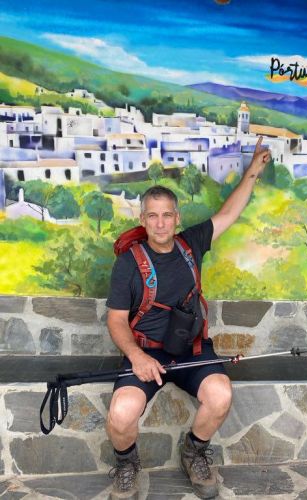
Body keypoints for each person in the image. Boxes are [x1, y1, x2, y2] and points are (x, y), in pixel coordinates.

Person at [105, 137, 270, 499]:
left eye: (167, 215)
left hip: (192, 349)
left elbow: (229, 212)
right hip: (146, 353)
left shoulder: (191, 243)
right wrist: (137, 357)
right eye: (152, 215)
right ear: (143, 219)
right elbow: (116, 320)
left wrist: (253, 171)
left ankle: (194, 451)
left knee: (220, 395)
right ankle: (127, 464)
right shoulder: (128, 264)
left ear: (177, 218)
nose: (160, 223)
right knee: (121, 413)